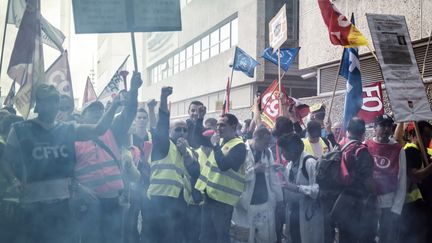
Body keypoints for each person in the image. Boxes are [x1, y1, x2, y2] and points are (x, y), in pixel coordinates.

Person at [0, 84, 123, 243]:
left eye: (54, 101)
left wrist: (114, 106)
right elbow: (6, 161)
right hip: (32, 207)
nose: (52, 106)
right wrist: (13, 180)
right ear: (38, 105)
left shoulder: (67, 129)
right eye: (47, 101)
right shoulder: (20, 129)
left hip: (63, 207)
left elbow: (98, 129)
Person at [74, 72, 142, 243]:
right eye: (93, 111)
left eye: (101, 110)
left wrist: (133, 90)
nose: (98, 113)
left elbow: (129, 113)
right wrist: (79, 189)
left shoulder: (112, 132)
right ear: (82, 117)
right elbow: (65, 172)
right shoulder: (73, 138)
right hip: (87, 204)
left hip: (112, 201)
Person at [147, 86, 200, 243]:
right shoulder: (163, 144)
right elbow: (162, 122)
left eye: (185, 130)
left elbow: (196, 172)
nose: (182, 133)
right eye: (178, 129)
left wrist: (186, 155)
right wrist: (163, 97)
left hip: (179, 202)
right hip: (160, 199)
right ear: (170, 132)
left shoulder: (187, 150)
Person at [195, 113, 247, 243]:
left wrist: (216, 146)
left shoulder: (240, 146)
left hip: (223, 201)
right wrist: (200, 118)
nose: (218, 128)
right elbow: (197, 138)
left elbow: (224, 165)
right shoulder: (222, 142)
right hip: (210, 197)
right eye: (217, 125)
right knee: (205, 237)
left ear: (233, 126)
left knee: (221, 237)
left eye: (223, 125)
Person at [231, 127, 283, 243]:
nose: (267, 146)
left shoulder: (267, 153)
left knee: (266, 238)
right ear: (255, 138)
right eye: (265, 143)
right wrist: (253, 171)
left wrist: (279, 199)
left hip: (264, 204)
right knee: (245, 238)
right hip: (245, 204)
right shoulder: (241, 151)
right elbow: (234, 178)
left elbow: (273, 179)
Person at [365, 115, 406, 243]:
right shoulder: (365, 145)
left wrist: (396, 209)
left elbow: (402, 180)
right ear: (375, 128)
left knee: (386, 238)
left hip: (388, 204)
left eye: (389, 126)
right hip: (369, 203)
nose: (386, 129)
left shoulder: (398, 149)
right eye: (383, 126)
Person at [277, 133, 324, 243]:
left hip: (308, 213)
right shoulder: (291, 163)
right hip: (294, 212)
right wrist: (282, 170)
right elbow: (292, 179)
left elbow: (317, 190)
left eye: (283, 151)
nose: (282, 154)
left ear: (292, 152)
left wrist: (297, 188)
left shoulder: (310, 163)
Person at [336, 117, 376, 243]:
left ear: (348, 130)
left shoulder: (339, 148)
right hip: (359, 205)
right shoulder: (361, 151)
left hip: (342, 202)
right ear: (363, 132)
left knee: (345, 238)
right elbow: (368, 180)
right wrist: (375, 198)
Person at [398, 121, 432, 243]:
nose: (428, 139)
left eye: (430, 136)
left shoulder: (425, 151)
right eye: (425, 136)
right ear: (414, 135)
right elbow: (415, 176)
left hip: (425, 204)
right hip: (413, 207)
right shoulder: (410, 151)